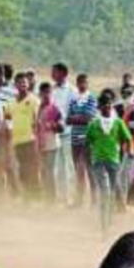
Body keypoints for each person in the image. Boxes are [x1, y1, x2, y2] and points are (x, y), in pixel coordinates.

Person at [85, 91, 132, 230]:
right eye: (105, 104)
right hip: (98, 161)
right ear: (100, 107)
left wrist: (123, 157)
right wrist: (89, 160)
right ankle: (103, 224)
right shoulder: (94, 124)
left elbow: (127, 139)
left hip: (114, 161)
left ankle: (109, 220)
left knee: (111, 191)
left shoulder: (118, 122)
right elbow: (87, 143)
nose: (107, 107)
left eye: (109, 104)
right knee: (105, 191)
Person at [4, 74, 39, 198]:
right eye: (20, 83)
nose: (23, 85)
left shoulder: (34, 100)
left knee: (32, 169)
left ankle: (35, 197)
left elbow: (37, 120)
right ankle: (27, 196)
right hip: (17, 141)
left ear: (28, 84)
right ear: (15, 85)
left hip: (31, 140)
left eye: (25, 82)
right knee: (22, 171)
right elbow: (6, 116)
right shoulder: (12, 102)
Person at [67, 73, 98, 207]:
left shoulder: (91, 98)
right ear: (77, 83)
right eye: (80, 82)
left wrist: (76, 118)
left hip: (87, 139)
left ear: (87, 83)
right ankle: (79, 200)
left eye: (84, 82)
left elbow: (89, 118)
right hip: (75, 139)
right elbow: (68, 119)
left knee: (89, 170)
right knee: (78, 171)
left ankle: (94, 200)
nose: (82, 84)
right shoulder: (74, 99)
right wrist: (79, 118)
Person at [50, 63, 76, 205]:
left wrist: (62, 122)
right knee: (57, 168)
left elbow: (74, 112)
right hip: (54, 134)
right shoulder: (52, 90)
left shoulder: (72, 90)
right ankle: (60, 197)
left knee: (68, 167)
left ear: (63, 73)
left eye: (54, 72)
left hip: (67, 133)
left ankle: (70, 198)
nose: (52, 74)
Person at [35, 82, 64, 203]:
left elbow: (61, 127)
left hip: (52, 144)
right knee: (42, 172)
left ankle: (52, 200)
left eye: (48, 92)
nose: (46, 95)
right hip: (40, 144)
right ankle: (46, 198)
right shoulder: (37, 107)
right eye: (44, 92)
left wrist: (53, 125)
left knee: (50, 172)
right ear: (40, 94)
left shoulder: (55, 108)